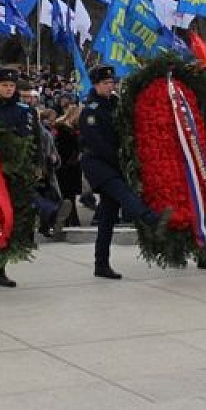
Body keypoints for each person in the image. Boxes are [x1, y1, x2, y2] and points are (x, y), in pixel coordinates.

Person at [79, 65, 173, 279]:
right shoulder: (90, 111)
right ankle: (151, 219)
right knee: (123, 193)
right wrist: (121, 160)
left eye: (112, 83)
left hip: (114, 162)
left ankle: (101, 264)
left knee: (108, 217)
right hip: (99, 164)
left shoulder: (116, 105)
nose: (110, 87)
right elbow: (97, 144)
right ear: (95, 85)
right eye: (105, 83)